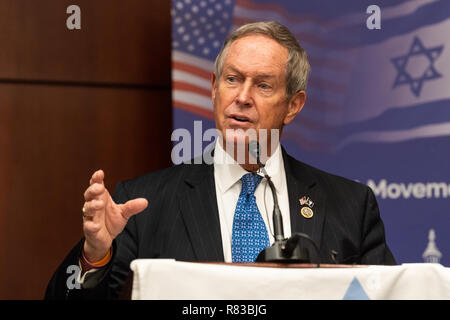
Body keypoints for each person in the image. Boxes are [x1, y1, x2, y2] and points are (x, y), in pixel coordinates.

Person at [45, 21, 395, 300]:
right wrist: (95, 255)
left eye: (263, 85)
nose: (241, 97)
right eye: (232, 79)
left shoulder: (350, 206)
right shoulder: (145, 205)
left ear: (293, 105)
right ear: (213, 88)